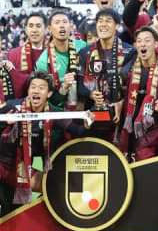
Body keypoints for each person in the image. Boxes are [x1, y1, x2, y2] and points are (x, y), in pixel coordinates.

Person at [0, 71, 91, 214]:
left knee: (49, 186)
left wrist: (87, 125)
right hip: (2, 165)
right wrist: (5, 123)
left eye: (41, 88)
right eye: (33, 87)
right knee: (8, 211)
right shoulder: (12, 107)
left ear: (49, 94)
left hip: (21, 170)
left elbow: (78, 131)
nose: (36, 90)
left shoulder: (52, 114)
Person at [77, 9, 134, 142]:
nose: (103, 24)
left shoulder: (130, 52)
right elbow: (79, 86)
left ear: (117, 26)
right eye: (100, 21)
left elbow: (134, 86)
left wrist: (122, 102)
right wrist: (91, 94)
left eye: (108, 21)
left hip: (121, 116)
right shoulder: (85, 53)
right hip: (93, 117)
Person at [119, 27, 158, 161]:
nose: (142, 44)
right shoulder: (127, 70)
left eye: (147, 40)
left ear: (156, 44)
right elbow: (120, 96)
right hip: (134, 127)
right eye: (139, 41)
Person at [35, 11, 88, 111]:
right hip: (59, 112)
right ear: (49, 29)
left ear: (70, 26)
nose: (62, 26)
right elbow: (47, 97)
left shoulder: (82, 46)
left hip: (86, 106)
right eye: (57, 22)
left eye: (64, 22)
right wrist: (64, 87)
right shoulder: (44, 61)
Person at [4, 13, 47, 95]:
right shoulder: (13, 54)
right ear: (26, 29)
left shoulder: (54, 54)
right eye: (31, 26)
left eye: (38, 26)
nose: (34, 30)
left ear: (46, 29)